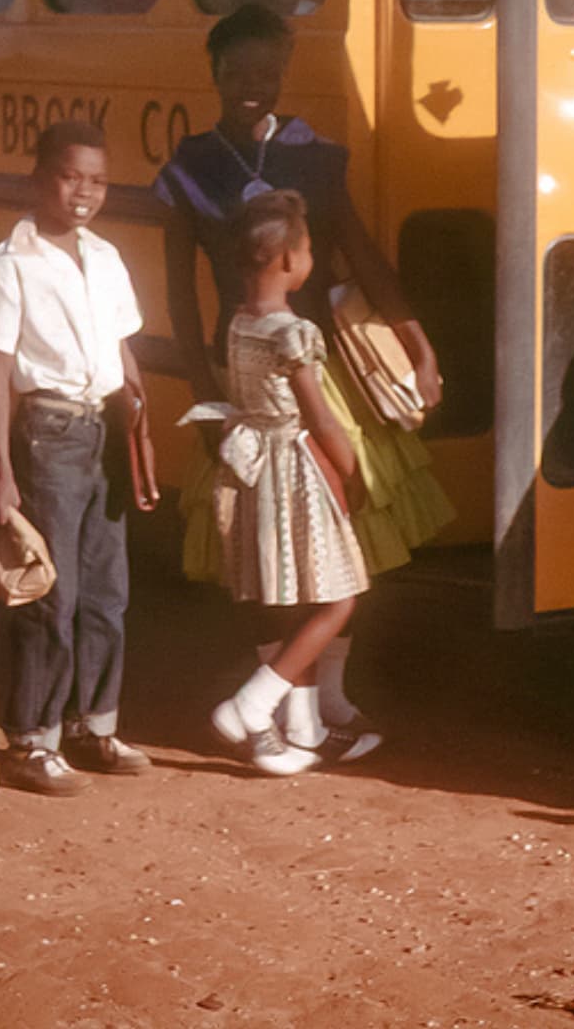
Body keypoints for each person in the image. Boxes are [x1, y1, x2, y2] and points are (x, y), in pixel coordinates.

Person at [155, 4, 451, 757]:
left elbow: (366, 260)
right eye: (237, 72)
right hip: (247, 383)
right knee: (262, 552)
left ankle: (324, 702)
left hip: (322, 375)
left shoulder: (314, 157)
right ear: (213, 73)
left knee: (342, 539)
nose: (254, 85)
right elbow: (182, 297)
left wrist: (418, 348)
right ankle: (274, 711)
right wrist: (203, 394)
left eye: (268, 71)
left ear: (284, 72)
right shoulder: (192, 166)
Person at [0, 121, 160, 795]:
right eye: (70, 176)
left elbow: (121, 347)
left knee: (107, 591)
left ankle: (92, 725)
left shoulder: (105, 256)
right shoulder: (10, 262)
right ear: (37, 179)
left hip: (105, 431)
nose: (84, 192)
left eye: (98, 180)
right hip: (47, 435)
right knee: (50, 590)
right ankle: (30, 741)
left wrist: (138, 421)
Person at [186, 190, 371, 774]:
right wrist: (350, 469)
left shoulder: (241, 322)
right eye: (309, 248)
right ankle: (251, 705)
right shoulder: (294, 332)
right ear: (288, 261)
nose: (311, 257)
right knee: (338, 597)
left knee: (290, 597)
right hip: (294, 467)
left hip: (251, 466)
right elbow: (318, 415)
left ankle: (304, 727)